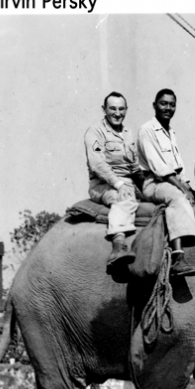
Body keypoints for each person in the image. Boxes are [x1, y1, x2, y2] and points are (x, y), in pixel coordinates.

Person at [137, 89, 195, 277]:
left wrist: (189, 187)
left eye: (172, 104)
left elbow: (179, 167)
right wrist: (182, 189)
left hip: (174, 180)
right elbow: (159, 168)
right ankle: (178, 258)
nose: (168, 108)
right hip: (154, 182)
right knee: (177, 198)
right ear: (154, 105)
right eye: (163, 103)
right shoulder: (147, 130)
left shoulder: (171, 132)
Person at [85, 91, 144, 272]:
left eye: (121, 109)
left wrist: (147, 186)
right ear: (104, 109)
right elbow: (97, 163)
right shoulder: (95, 132)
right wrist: (118, 184)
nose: (117, 113)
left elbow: (134, 167)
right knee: (123, 199)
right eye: (112, 109)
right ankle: (118, 246)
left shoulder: (127, 134)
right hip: (104, 184)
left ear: (126, 110)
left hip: (128, 182)